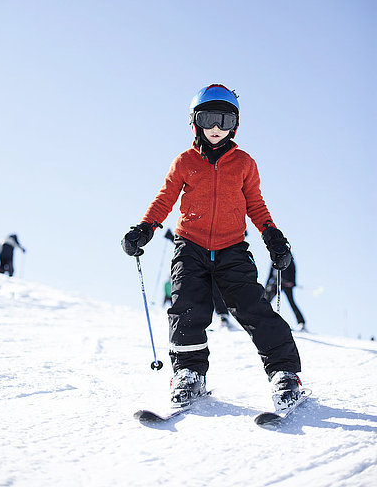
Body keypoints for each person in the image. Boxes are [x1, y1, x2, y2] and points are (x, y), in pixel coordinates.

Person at [121, 84, 302, 411]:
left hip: (233, 247)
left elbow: (256, 205)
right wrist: (145, 228)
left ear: (235, 124)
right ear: (194, 122)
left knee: (253, 307)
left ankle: (284, 373)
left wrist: (272, 235)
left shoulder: (244, 163)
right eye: (208, 118)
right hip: (190, 246)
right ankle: (190, 373)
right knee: (187, 308)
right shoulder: (185, 161)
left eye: (225, 119)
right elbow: (165, 199)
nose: (216, 127)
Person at [264, 258, 306, 331]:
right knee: (266, 301)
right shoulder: (274, 257)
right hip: (276, 283)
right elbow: (270, 273)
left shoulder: (287, 256)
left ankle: (301, 323)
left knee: (291, 302)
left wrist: (292, 282)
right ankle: (260, 318)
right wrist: (266, 285)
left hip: (287, 284)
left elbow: (293, 270)